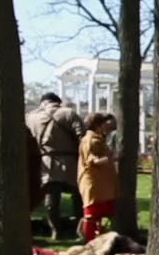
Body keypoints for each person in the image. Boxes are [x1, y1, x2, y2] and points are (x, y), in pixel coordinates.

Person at [26, 93, 86, 238]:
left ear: (43, 103)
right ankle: (81, 229)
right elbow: (83, 137)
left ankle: (55, 231)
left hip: (46, 162)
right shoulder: (68, 113)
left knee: (51, 198)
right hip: (71, 161)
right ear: (58, 102)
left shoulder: (30, 117)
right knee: (79, 197)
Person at [77, 112, 118, 242]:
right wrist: (112, 158)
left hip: (102, 185)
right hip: (93, 183)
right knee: (92, 214)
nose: (107, 127)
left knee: (100, 214)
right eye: (104, 124)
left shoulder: (98, 139)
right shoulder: (91, 140)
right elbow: (92, 160)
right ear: (97, 125)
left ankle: (98, 239)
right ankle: (90, 241)